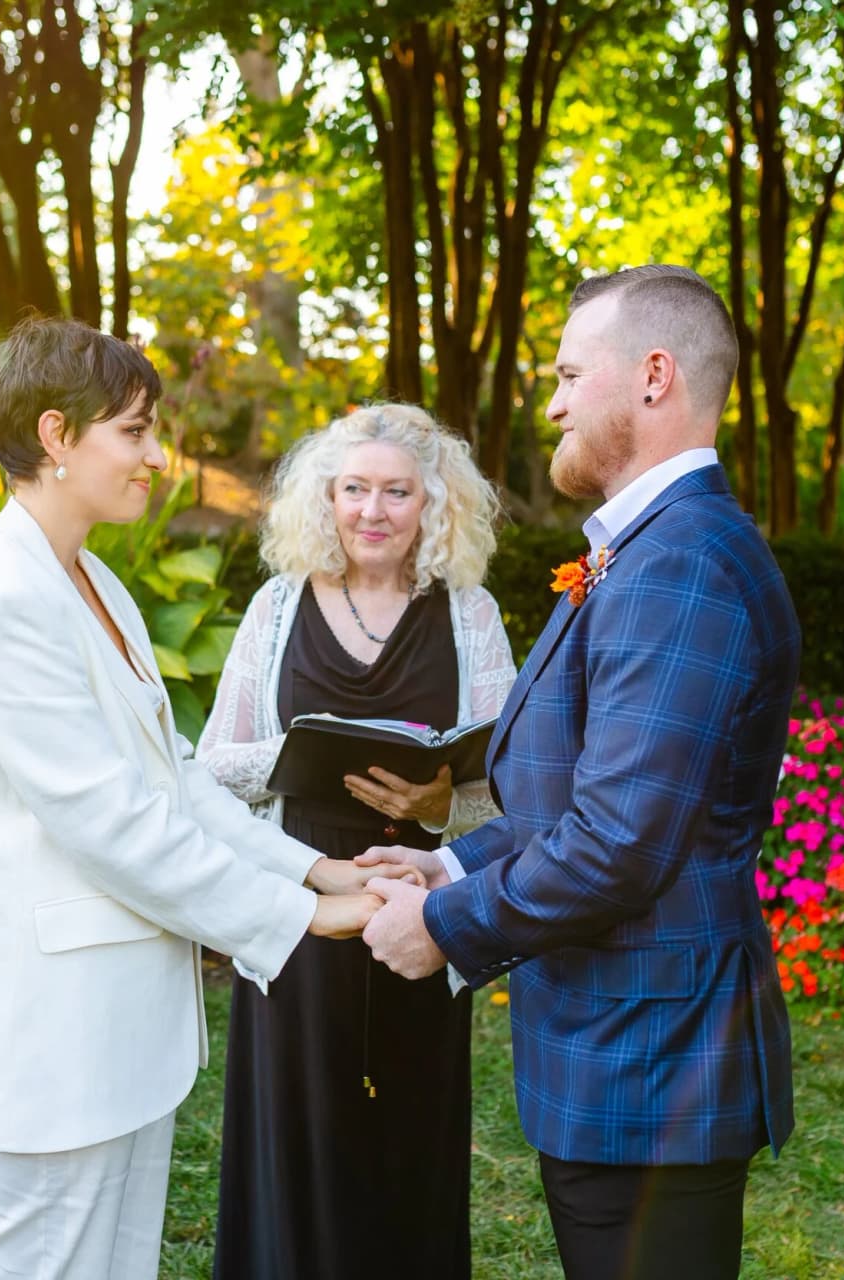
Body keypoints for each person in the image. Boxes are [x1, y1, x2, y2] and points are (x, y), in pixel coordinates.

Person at [0, 317, 410, 1280]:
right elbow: (115, 827)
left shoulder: (95, 580)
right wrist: (307, 915)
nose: (157, 457)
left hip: (122, 1038)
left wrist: (315, 863)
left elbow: (176, 780)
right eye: (135, 432)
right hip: (54, 1042)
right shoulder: (6, 601)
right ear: (58, 437)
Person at [359, 266, 800, 1280]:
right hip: (619, 1053)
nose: (550, 401)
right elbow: (580, 794)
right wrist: (452, 869)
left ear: (653, 376)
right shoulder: (639, 548)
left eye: (566, 374)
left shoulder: (682, 559)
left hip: (656, 1063)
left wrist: (442, 930)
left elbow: (620, 842)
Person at [196, 404, 516, 1279]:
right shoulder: (275, 607)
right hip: (300, 903)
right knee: (301, 1135)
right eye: (354, 490)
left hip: (420, 902)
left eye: (397, 493)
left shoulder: (470, 614)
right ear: (324, 499)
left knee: (409, 1133)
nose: (373, 512)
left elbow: (518, 781)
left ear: (433, 504)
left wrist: (444, 795)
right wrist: (302, 753)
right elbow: (213, 764)